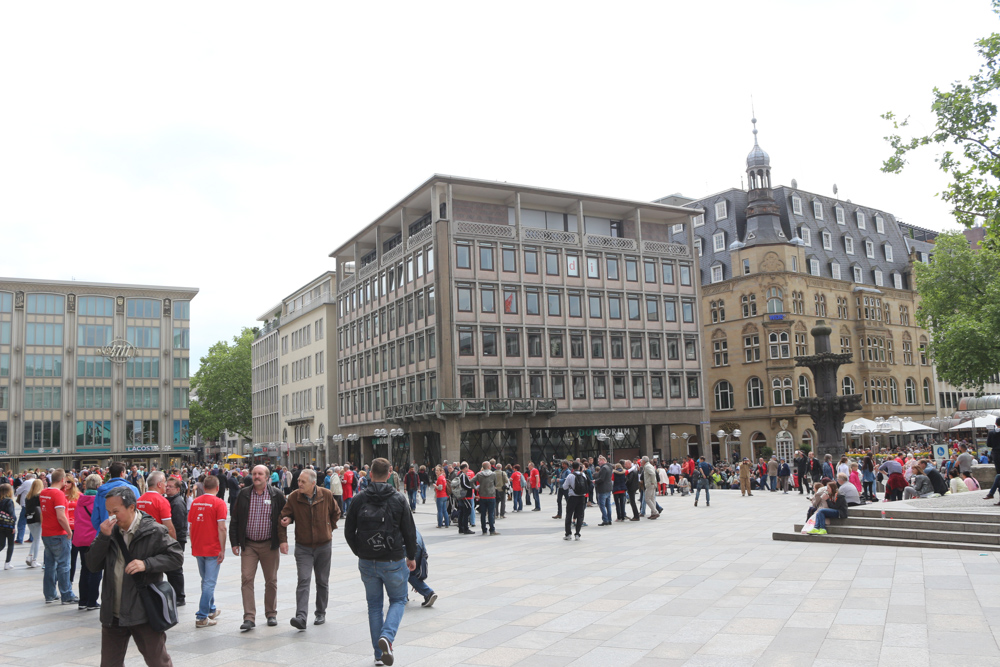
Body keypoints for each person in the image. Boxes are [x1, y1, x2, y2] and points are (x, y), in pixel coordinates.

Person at [86, 485, 183, 667]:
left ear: (132, 507)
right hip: (113, 614)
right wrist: (103, 538)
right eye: (108, 512)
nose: (111, 517)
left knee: (158, 662)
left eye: (116, 511)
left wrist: (146, 564)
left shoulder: (153, 531)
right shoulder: (110, 532)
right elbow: (92, 564)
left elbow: (176, 557)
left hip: (143, 611)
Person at [344, 458, 418, 667]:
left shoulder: (359, 499)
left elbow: (349, 531)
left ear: (369, 474)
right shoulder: (398, 498)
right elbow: (409, 531)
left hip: (367, 560)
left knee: (374, 606)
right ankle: (387, 636)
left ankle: (379, 654)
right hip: (393, 558)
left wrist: (359, 551)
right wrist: (411, 557)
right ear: (388, 474)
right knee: (398, 600)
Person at [279, 468, 341, 630]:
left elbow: (336, 513)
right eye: (298, 481)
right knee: (304, 579)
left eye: (302, 482)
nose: (299, 484)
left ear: (313, 483)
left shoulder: (326, 494)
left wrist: (329, 528)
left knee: (322, 580)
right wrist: (288, 520)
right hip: (303, 547)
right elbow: (284, 515)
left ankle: (320, 612)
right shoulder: (294, 497)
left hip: (323, 546)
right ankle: (301, 616)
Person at [231, 465, 286, 631]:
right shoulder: (244, 494)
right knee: (246, 579)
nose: (256, 476)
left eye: (260, 474)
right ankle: (249, 617)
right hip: (249, 545)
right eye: (254, 474)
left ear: (267, 477)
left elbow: (284, 517)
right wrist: (234, 542)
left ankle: (271, 613)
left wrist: (283, 540)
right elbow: (235, 519)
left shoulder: (276, 494)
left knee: (271, 580)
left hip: (270, 545)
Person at [189, 474, 227, 628]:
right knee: (209, 583)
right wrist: (223, 548)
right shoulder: (219, 503)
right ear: (217, 488)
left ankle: (211, 609)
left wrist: (193, 543)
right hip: (212, 547)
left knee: (205, 581)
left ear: (203, 487)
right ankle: (202, 616)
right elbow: (222, 527)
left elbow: (191, 525)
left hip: (198, 546)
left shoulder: (195, 502)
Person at [40, 468, 77, 604]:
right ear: (62, 480)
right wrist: (69, 531)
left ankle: (50, 594)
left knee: (50, 565)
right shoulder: (59, 494)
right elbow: (61, 516)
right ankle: (66, 595)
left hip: (47, 533)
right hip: (58, 533)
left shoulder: (44, 492)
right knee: (64, 565)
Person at [73, 474, 103, 610]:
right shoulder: (98, 500)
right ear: (98, 486)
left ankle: (82, 601)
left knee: (84, 569)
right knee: (95, 570)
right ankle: (92, 601)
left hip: (80, 538)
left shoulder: (80, 499)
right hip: (93, 539)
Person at [92, 463, 141, 532]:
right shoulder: (132, 489)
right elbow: (139, 513)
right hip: (128, 532)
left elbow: (95, 519)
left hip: (106, 532)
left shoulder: (101, 491)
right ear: (122, 473)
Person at [164, 477, 187, 607]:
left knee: (175, 569)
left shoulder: (177, 503)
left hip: (176, 539)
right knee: (172, 569)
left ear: (177, 489)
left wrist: (175, 541)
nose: (167, 488)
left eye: (170, 486)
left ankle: (179, 596)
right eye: (167, 486)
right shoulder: (170, 500)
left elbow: (177, 525)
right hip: (173, 539)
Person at [136, 472, 177, 541]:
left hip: (141, 540)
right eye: (164, 482)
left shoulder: (139, 500)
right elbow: (169, 528)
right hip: (156, 541)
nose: (166, 485)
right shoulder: (162, 501)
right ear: (159, 484)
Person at [407, 529, 437, 608]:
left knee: (406, 572)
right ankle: (403, 595)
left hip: (409, 545)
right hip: (418, 545)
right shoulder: (412, 525)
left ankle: (428, 593)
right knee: (410, 573)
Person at [562, 461, 587, 540]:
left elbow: (564, 487)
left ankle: (568, 534)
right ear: (579, 467)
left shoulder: (570, 476)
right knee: (580, 516)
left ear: (572, 467)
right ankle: (577, 534)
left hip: (572, 497)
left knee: (569, 515)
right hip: (581, 497)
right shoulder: (583, 475)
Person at [472, 461, 499, 535]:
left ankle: (484, 530)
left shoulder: (479, 474)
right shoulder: (493, 474)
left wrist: (475, 488)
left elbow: (471, 481)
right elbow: (495, 483)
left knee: (483, 514)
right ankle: (492, 530)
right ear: (489, 466)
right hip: (491, 495)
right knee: (491, 513)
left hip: (482, 496)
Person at [23, 479, 43, 567]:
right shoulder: (39, 496)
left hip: (29, 518)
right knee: (37, 539)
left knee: (35, 538)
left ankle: (30, 556)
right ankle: (34, 559)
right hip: (37, 518)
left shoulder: (28, 496)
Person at [593, 456, 613, 526]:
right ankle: (609, 519)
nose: (598, 463)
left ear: (602, 460)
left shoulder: (604, 468)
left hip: (603, 488)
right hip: (608, 488)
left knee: (602, 505)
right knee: (608, 505)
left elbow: (602, 479)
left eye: (599, 461)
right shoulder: (609, 467)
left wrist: (595, 481)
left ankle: (605, 520)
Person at [0, 483, 15, 570]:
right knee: (10, 544)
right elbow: (12, 514)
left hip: (0, 525)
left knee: (1, 544)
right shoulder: (9, 501)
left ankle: (7, 563)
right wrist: (13, 526)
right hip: (8, 525)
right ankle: (7, 563)